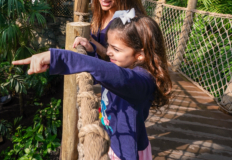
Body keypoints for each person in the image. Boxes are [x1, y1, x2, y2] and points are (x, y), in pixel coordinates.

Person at [12, 10, 172, 160]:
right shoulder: (124, 65)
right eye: (108, 45)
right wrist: (91, 51)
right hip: (113, 139)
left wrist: (59, 57)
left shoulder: (141, 81)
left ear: (139, 55)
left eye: (115, 49)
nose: (108, 52)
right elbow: (102, 74)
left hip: (127, 150)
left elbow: (111, 75)